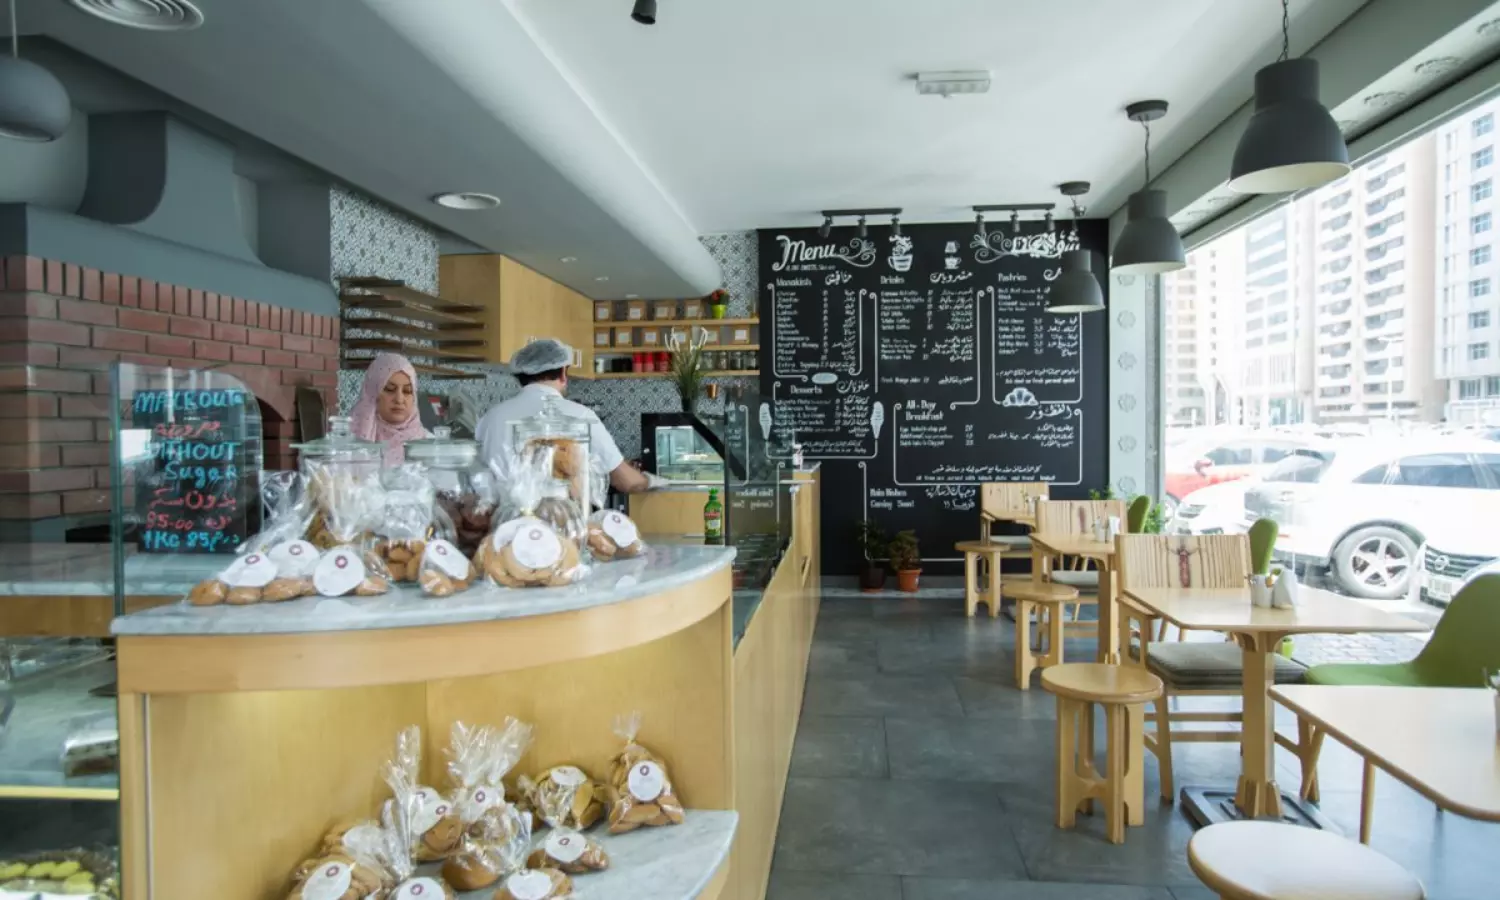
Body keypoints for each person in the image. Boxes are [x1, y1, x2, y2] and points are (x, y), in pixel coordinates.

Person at [476, 338, 663, 498]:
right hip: (564, 519)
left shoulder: (490, 418)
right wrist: (653, 481)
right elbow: (625, 481)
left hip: (502, 522)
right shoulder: (581, 415)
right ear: (564, 373)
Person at [348, 352, 430, 466]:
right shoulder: (347, 440)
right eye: (390, 389)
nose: (399, 399)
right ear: (373, 393)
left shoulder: (430, 446)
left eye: (407, 391)